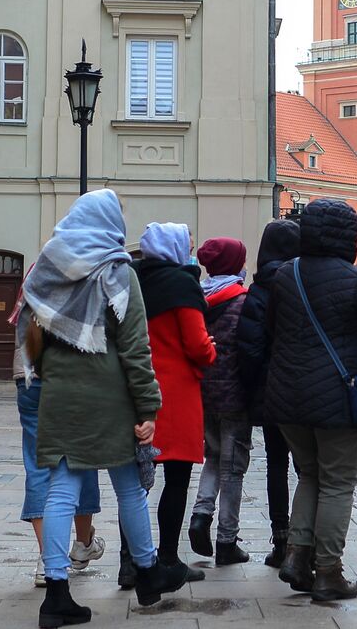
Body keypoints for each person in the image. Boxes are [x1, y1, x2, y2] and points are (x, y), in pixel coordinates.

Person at [18, 190, 188, 627]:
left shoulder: (47, 266)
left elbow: (26, 333)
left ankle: (56, 593)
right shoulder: (117, 273)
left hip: (59, 393)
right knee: (129, 487)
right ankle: (148, 574)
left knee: (61, 489)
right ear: (110, 223)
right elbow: (135, 347)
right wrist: (148, 405)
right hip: (112, 398)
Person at [263, 199, 357, 601]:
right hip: (337, 398)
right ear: (347, 236)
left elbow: (271, 330)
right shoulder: (355, 279)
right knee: (338, 483)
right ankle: (328, 571)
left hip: (287, 398)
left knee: (309, 474)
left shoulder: (284, 275)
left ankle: (296, 556)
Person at [131, 222, 215, 584]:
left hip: (136, 388)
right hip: (175, 392)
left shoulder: (134, 278)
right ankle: (167, 558)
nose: (192, 251)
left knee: (131, 484)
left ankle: (130, 562)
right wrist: (213, 350)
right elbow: (197, 344)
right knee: (176, 479)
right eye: (189, 245)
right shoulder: (182, 284)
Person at [11, 271, 105, 588]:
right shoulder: (85, 274)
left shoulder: (37, 273)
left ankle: (46, 559)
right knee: (81, 458)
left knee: (39, 465)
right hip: (72, 379)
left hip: (28, 377)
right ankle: (81, 545)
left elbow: (21, 325)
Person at [236, 219, 301, 568]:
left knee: (276, 466)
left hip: (272, 392)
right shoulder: (302, 286)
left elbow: (248, 348)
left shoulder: (258, 292)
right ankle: (306, 542)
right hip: (303, 391)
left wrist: (253, 388)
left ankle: (281, 541)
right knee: (308, 468)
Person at [187, 237, 252, 567]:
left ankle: (201, 514)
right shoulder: (242, 301)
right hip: (235, 396)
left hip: (204, 393)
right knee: (234, 469)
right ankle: (227, 540)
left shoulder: (198, 298)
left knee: (212, 456)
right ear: (234, 264)